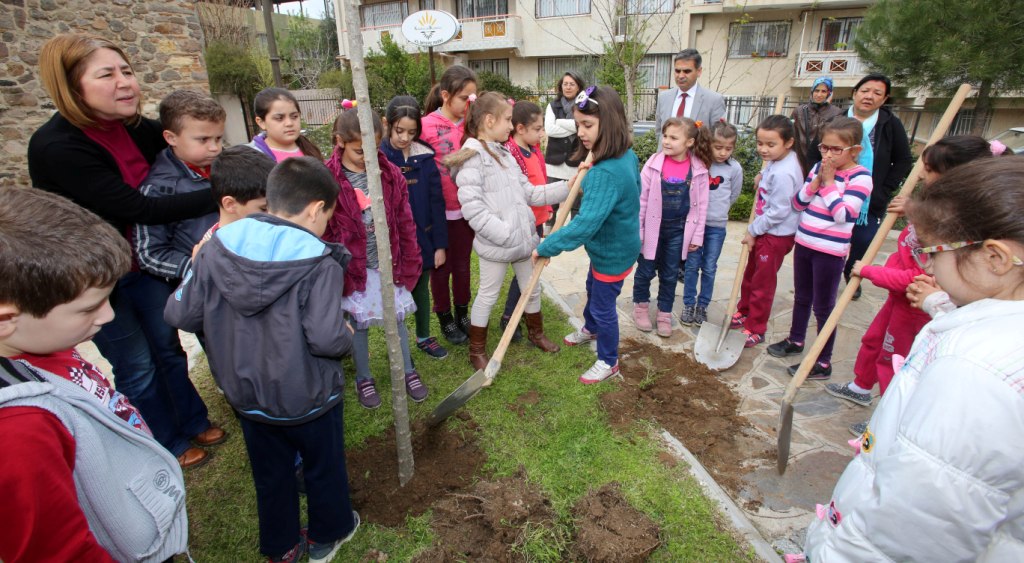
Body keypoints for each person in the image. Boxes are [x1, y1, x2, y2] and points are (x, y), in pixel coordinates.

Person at [799, 157, 1024, 562]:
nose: (927, 264)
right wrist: (940, 305)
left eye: (930, 251)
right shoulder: (1001, 337)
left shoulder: (972, 376)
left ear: (995, 259)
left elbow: (910, 531)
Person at [28, 33, 222, 469]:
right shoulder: (57, 146)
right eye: (107, 75)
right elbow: (138, 208)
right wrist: (223, 193)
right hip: (97, 281)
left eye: (127, 71)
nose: (125, 83)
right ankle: (163, 440)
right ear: (72, 86)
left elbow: (188, 147)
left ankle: (193, 419)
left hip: (146, 267)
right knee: (136, 364)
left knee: (168, 349)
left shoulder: (137, 129)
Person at [165, 157, 360, 563]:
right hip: (309, 398)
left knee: (270, 475)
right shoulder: (321, 264)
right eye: (328, 216)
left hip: (247, 396)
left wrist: (196, 267)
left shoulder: (216, 247)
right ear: (315, 209)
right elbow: (325, 338)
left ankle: (282, 546)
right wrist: (346, 333)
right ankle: (328, 535)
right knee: (323, 467)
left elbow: (179, 313)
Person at [0, 187, 187, 562]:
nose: (108, 316)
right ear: (7, 319)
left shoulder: (40, 342)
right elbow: (59, 551)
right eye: (89, 308)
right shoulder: (18, 432)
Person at [829, 135, 1005, 436]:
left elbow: (919, 277)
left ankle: (886, 420)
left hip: (915, 305)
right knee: (874, 341)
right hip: (898, 300)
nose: (921, 174)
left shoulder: (954, 224)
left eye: (930, 169)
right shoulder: (932, 206)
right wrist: (912, 209)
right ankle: (861, 386)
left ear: (954, 175)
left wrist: (871, 271)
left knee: (894, 361)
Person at [445, 92, 568, 369]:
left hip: (523, 241)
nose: (511, 126)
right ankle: (477, 350)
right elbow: (473, 210)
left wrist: (567, 187)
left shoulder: (505, 154)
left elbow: (529, 193)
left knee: (531, 288)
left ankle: (536, 333)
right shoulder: (472, 158)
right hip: (498, 244)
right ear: (489, 121)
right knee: (488, 295)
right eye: (508, 120)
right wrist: (505, 233)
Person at [534, 86, 641, 384]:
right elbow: (632, 190)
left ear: (610, 124)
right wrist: (590, 171)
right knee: (593, 288)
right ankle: (591, 328)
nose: (580, 132)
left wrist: (547, 246)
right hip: (617, 245)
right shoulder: (624, 156)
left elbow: (583, 226)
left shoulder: (604, 173)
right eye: (578, 124)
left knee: (604, 307)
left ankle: (608, 361)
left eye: (588, 125)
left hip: (612, 253)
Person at [324, 108, 426, 409]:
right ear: (340, 141)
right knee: (359, 322)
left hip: (388, 263)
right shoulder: (329, 179)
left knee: (398, 319)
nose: (368, 158)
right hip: (354, 269)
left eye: (373, 149)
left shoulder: (390, 174)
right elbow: (326, 229)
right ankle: (364, 377)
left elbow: (404, 220)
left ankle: (407, 370)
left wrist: (410, 258)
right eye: (359, 151)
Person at [766, 117, 872, 378]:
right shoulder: (817, 168)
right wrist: (815, 183)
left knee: (823, 307)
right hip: (805, 242)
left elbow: (843, 215)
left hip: (830, 252)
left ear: (855, 150)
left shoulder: (861, 177)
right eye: (824, 147)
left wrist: (828, 183)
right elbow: (798, 204)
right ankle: (796, 339)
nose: (828, 155)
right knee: (802, 297)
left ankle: (823, 361)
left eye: (836, 149)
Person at [381, 95, 450, 360]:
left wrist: (440, 245)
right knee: (396, 292)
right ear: (387, 124)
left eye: (411, 132)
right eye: (399, 131)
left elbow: (437, 202)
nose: (405, 138)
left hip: (424, 236)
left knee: (421, 287)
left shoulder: (425, 157)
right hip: (393, 240)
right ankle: (398, 344)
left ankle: (423, 336)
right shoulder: (379, 158)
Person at [632, 117, 712, 337]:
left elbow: (702, 206)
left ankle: (664, 314)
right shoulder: (653, 164)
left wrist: (697, 236)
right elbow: (641, 200)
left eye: (673, 138)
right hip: (652, 229)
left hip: (678, 231)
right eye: (665, 136)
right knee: (645, 271)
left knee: (669, 275)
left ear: (689, 142)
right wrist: (639, 230)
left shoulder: (699, 170)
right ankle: (641, 307)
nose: (666, 141)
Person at [134, 89, 224, 281]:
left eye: (218, 138)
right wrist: (196, 268)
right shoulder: (159, 189)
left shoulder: (228, 167)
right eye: (203, 139)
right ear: (171, 138)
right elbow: (150, 254)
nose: (215, 148)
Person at [730, 115, 803, 348]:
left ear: (788, 142)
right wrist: (762, 176)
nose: (763, 149)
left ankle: (756, 327)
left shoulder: (785, 172)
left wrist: (753, 230)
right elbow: (771, 175)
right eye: (760, 143)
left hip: (775, 235)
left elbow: (779, 211)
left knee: (762, 284)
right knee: (750, 274)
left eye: (771, 144)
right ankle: (744, 311)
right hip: (766, 230)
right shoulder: (777, 161)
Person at [842, 74, 914, 300]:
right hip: (835, 193)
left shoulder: (889, 124)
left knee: (863, 241)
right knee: (831, 240)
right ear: (855, 93)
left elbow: (903, 160)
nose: (869, 96)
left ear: (884, 99)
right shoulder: (837, 120)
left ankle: (851, 273)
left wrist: (885, 189)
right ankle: (828, 274)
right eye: (865, 91)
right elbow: (816, 152)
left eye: (877, 93)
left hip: (870, 199)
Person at [422, 65, 479, 345]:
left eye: (472, 98)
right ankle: (444, 316)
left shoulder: (472, 125)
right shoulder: (425, 126)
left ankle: (462, 313)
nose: (469, 104)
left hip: (466, 209)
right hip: (438, 212)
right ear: (445, 95)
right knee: (440, 267)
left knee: (463, 265)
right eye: (464, 98)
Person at [681, 121, 744, 326]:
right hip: (694, 225)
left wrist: (719, 210)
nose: (723, 152)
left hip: (717, 227)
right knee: (691, 266)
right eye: (718, 147)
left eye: (728, 148)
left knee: (709, 267)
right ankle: (688, 304)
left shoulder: (734, 168)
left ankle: (702, 306)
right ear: (709, 144)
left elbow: (734, 194)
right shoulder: (698, 163)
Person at [501, 100, 553, 342]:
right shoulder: (511, 155)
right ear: (520, 129)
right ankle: (509, 316)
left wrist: (547, 208)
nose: (541, 134)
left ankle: (522, 312)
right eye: (537, 129)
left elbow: (541, 181)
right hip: (524, 223)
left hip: (537, 220)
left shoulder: (534, 150)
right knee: (525, 271)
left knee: (532, 271)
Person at [544, 71, 586, 222]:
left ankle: (575, 229)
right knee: (551, 201)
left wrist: (560, 122)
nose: (568, 87)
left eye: (572, 84)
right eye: (565, 84)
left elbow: (583, 127)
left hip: (576, 160)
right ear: (561, 86)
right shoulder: (552, 106)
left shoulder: (584, 105)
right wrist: (574, 126)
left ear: (578, 87)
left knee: (576, 203)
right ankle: (549, 228)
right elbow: (550, 130)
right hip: (554, 161)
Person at [654, 49, 726, 136]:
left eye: (687, 71)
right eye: (677, 71)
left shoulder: (714, 100)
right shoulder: (664, 97)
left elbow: (719, 137)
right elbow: (659, 132)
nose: (681, 76)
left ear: (699, 71)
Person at [246, 87, 324, 162]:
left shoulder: (310, 150)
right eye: (279, 118)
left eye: (294, 116)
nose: (289, 123)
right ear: (261, 122)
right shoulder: (252, 159)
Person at [791, 77, 845, 176]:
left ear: (829, 93)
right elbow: (792, 135)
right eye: (817, 90)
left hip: (821, 160)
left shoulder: (836, 113)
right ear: (812, 91)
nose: (819, 94)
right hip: (799, 160)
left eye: (823, 91)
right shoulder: (799, 111)